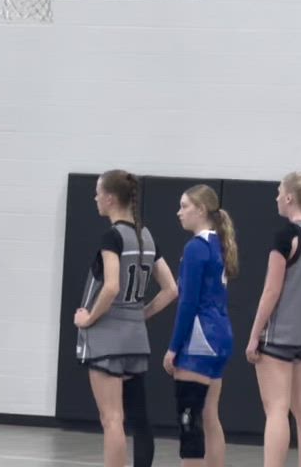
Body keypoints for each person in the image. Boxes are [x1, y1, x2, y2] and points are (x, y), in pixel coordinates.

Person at [74, 170, 177, 467]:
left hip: (107, 338)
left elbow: (111, 287)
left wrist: (89, 318)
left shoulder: (113, 237)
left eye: (98, 192)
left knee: (112, 419)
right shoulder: (146, 236)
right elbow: (171, 289)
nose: (95, 198)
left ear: (109, 198)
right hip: (135, 339)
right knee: (138, 418)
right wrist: (140, 315)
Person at [245, 172, 301, 467]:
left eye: (279, 192)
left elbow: (271, 290)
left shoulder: (287, 235)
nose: (276, 197)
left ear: (290, 197)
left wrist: (254, 334)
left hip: (282, 333)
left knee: (277, 409)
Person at [163, 184, 238, 467]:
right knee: (209, 416)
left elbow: (188, 303)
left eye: (184, 206)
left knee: (189, 418)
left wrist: (173, 348)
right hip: (221, 336)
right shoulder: (218, 243)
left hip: (200, 339)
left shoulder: (196, 247)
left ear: (202, 210)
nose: (179, 212)